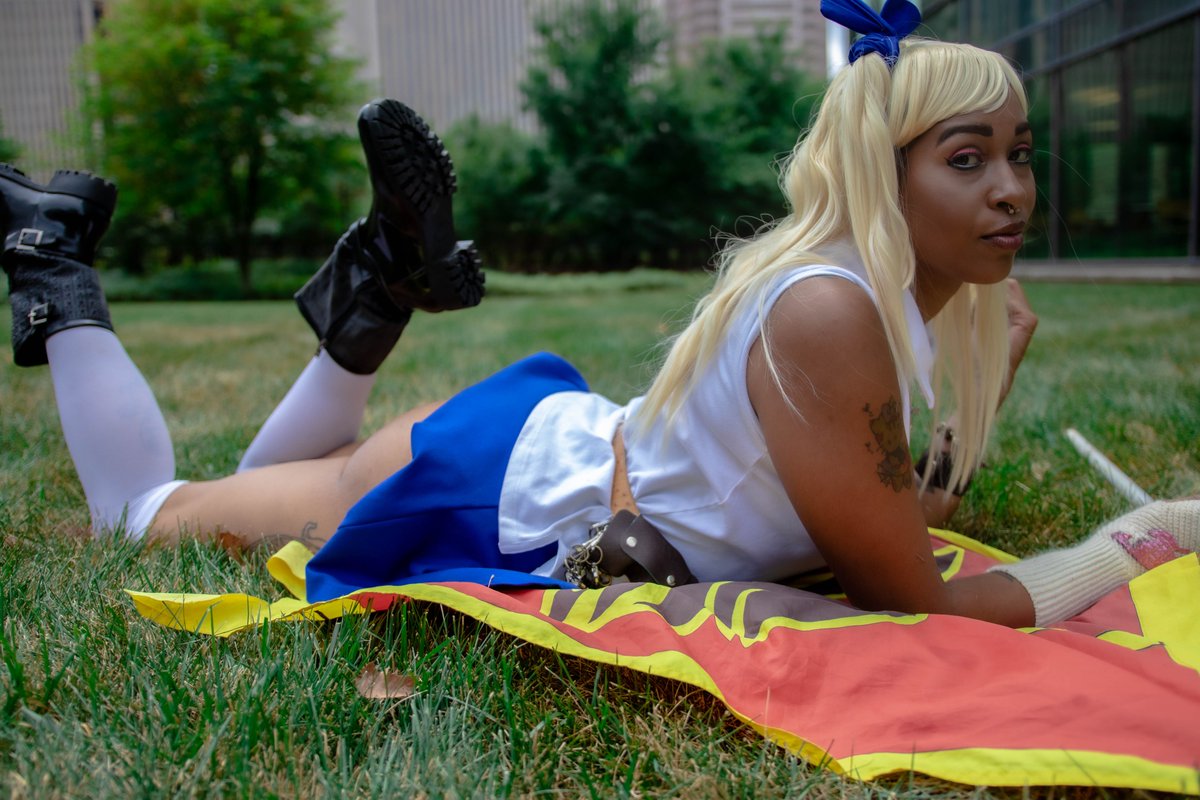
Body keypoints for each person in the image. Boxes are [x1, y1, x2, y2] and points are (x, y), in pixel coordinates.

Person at [3, 0, 1197, 630]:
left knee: (242, 495)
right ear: (883, 178)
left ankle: (371, 306)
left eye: (1020, 153)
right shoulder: (833, 311)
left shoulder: (868, 301)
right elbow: (916, 602)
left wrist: (991, 388)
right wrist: (1134, 544)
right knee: (142, 516)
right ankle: (56, 267)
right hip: (500, 491)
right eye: (967, 158)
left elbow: (890, 522)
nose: (1013, 190)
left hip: (542, 460)